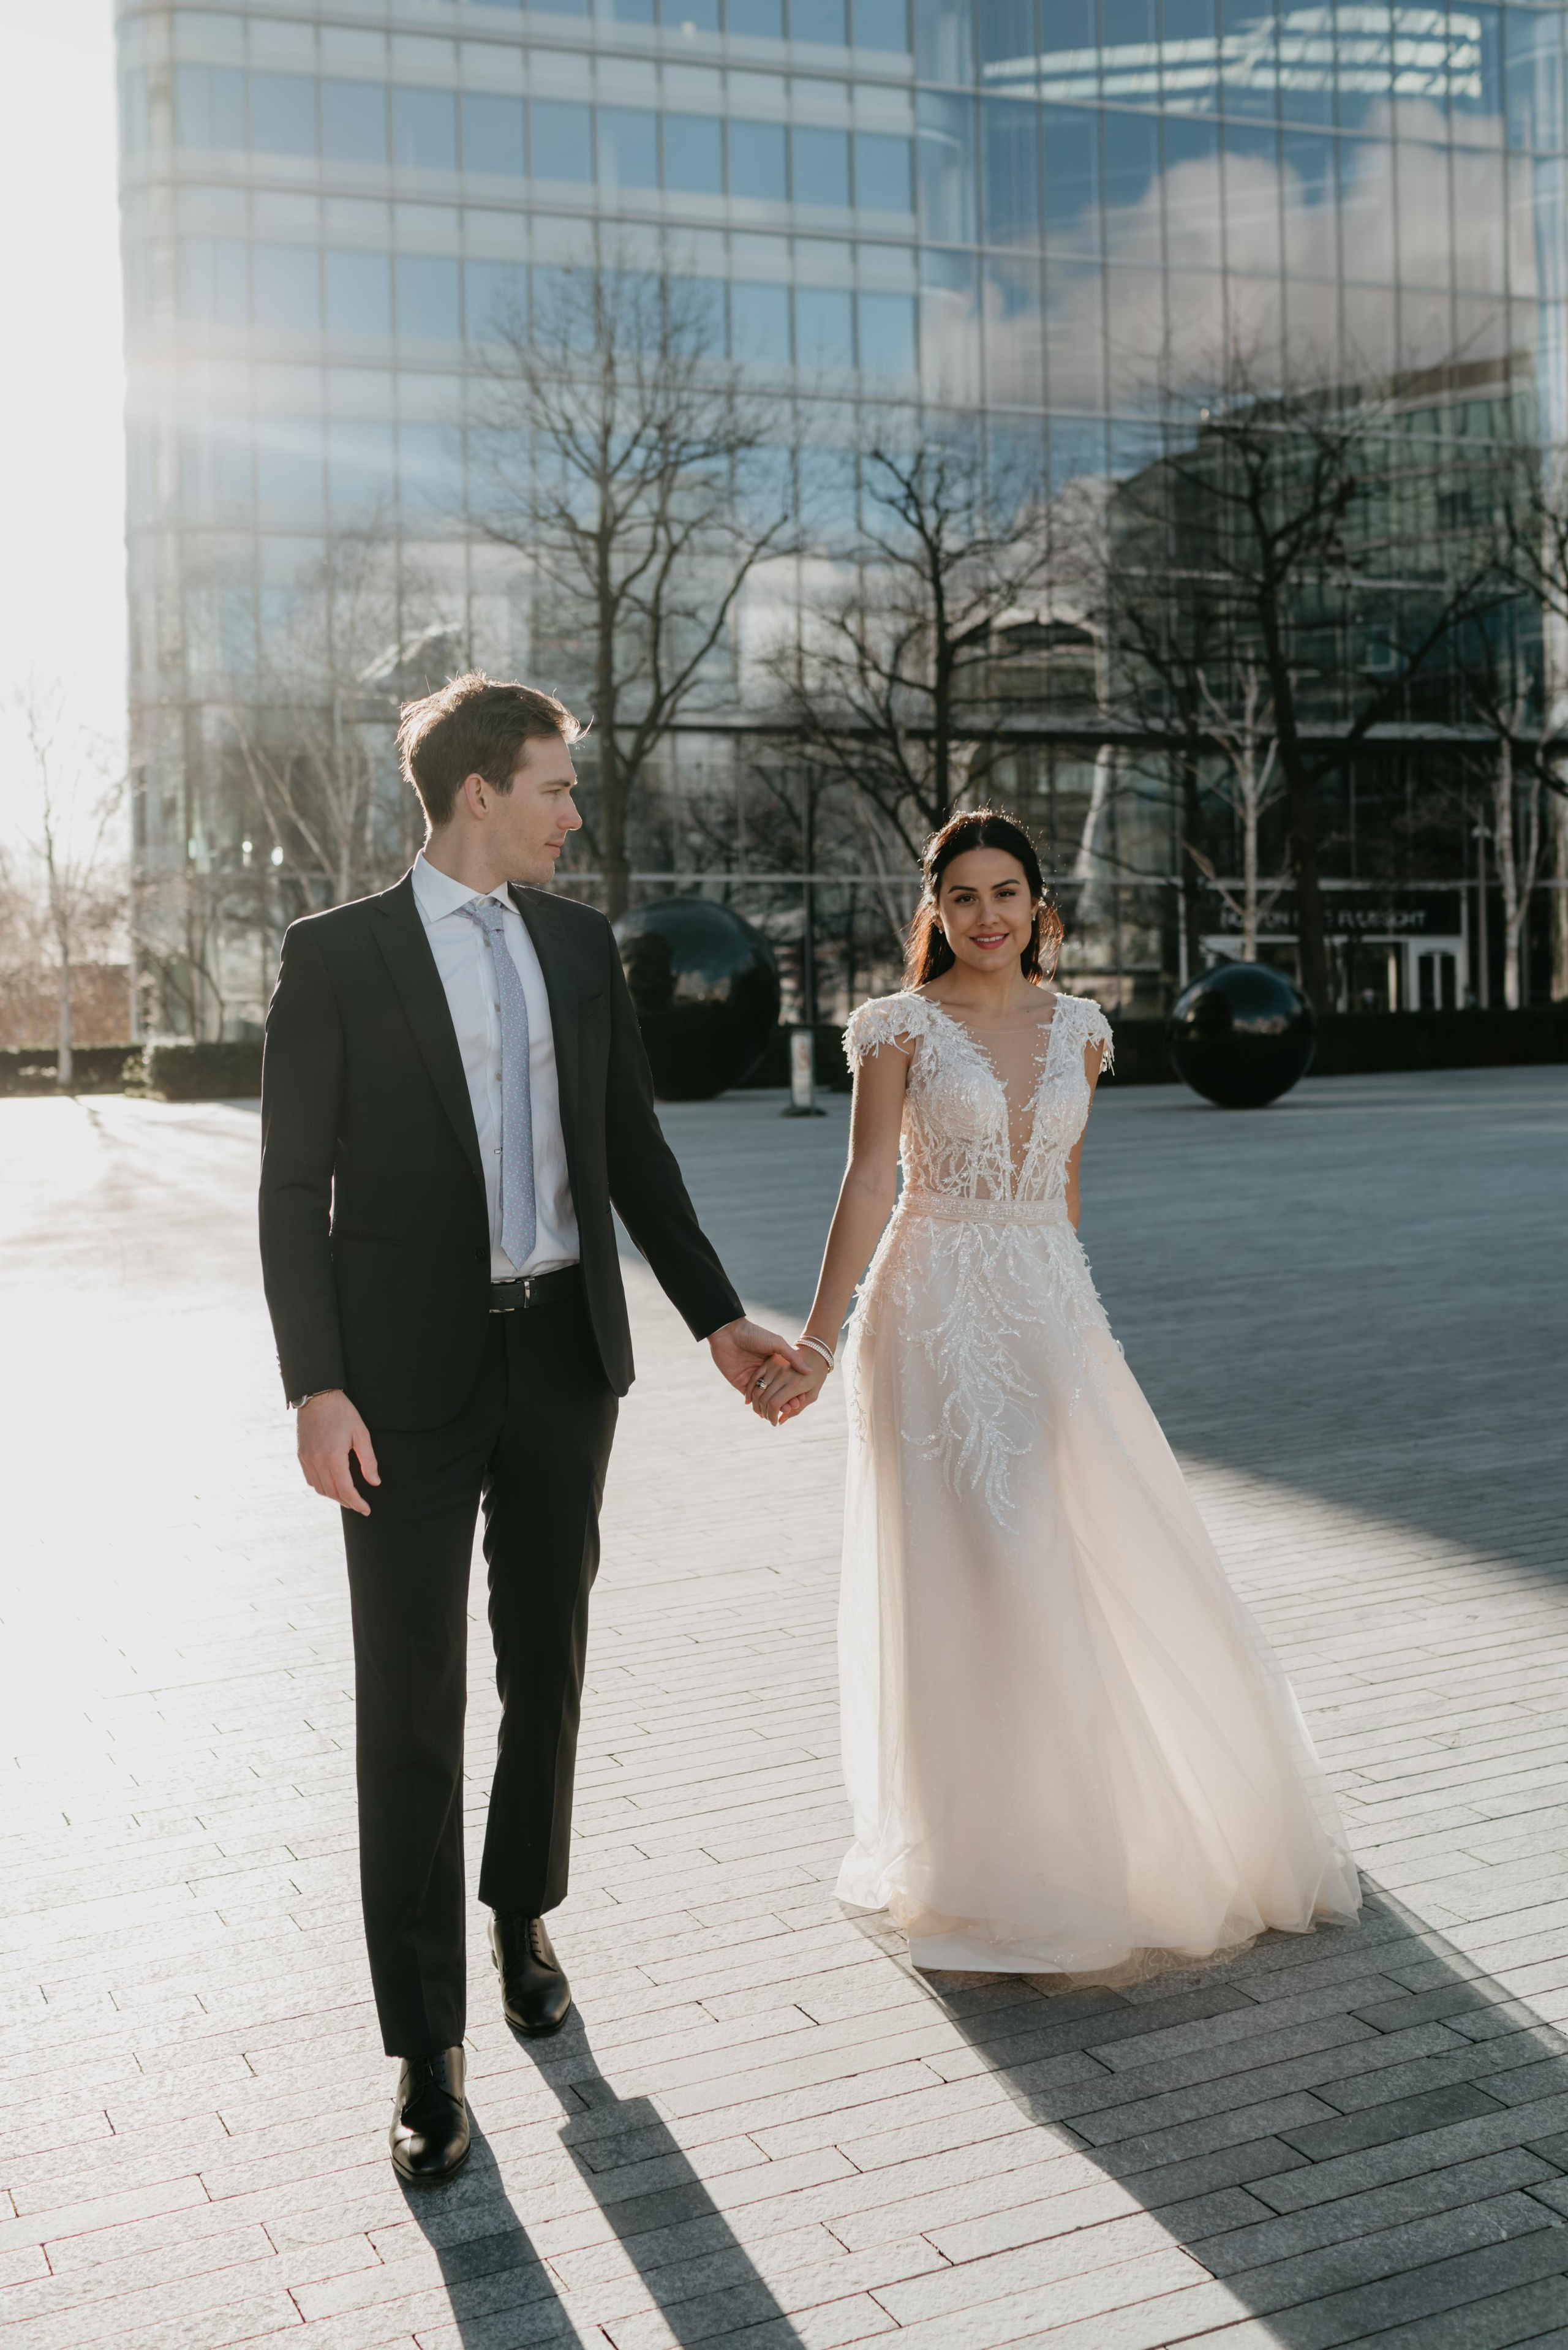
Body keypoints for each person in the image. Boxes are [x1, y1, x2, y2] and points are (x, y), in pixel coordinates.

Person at [258, 673, 807, 2182]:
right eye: (558, 786)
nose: (578, 813)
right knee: (410, 1703)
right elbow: (288, 1188)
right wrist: (316, 1384)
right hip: (398, 1390)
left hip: (563, 1360)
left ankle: (521, 1910)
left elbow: (632, 1151)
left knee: (545, 1671)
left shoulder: (576, 948)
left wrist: (715, 1317)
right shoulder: (338, 957)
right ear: (478, 791)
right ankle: (424, 2048)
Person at [750, 811, 1360, 1982]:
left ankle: (1110, 1834)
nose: (989, 915)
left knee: (1093, 1554)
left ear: (1040, 906)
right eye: (966, 895)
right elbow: (869, 1181)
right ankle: (994, 1864)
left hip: (1050, 1310)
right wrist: (820, 1344)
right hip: (929, 1317)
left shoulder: (1082, 1028)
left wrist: (1075, 1331)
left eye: (1008, 893)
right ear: (937, 910)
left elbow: (1066, 1193)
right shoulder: (898, 1029)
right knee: (977, 1573)